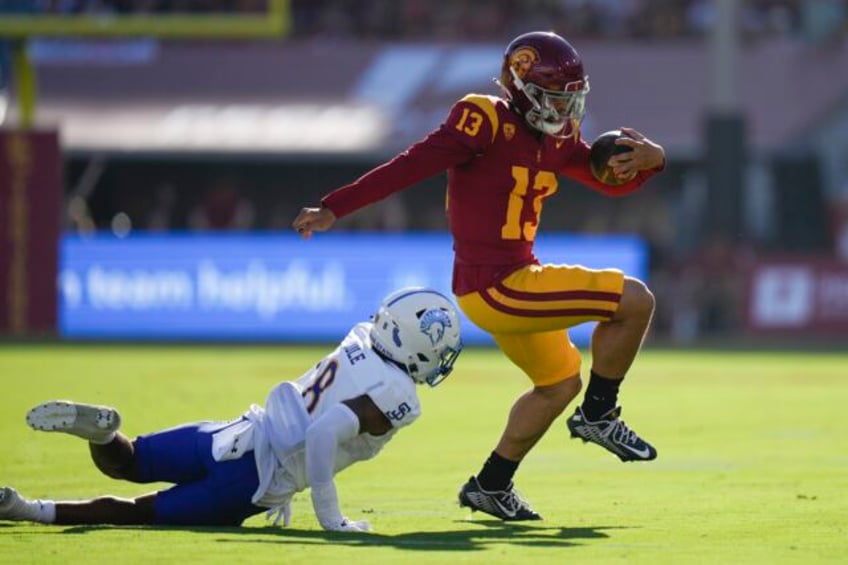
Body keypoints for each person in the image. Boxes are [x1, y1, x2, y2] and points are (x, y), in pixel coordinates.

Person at [292, 31, 666, 521]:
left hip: (513, 280)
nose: (566, 107)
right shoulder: (483, 119)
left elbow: (608, 184)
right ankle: (600, 414)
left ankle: (491, 485)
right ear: (523, 87)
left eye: (572, 96)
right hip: (498, 284)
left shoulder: (555, 140)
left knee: (558, 382)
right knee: (634, 300)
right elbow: (409, 166)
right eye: (556, 96)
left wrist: (653, 159)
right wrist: (334, 207)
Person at [0, 287, 463, 531]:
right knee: (135, 511)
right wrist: (329, 516)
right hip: (250, 480)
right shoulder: (400, 392)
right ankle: (26, 509)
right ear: (418, 346)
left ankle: (102, 435)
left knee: (132, 459)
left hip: (236, 432)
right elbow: (323, 434)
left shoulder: (362, 334)